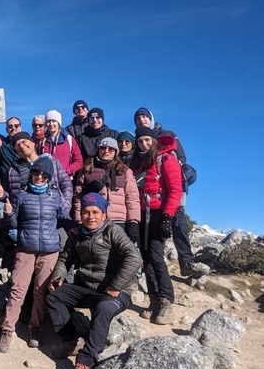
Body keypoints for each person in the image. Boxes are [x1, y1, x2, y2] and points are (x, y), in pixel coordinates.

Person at [46, 193, 142, 369]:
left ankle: (86, 361)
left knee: (104, 308)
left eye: (95, 212)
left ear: (104, 215)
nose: (91, 216)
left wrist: (117, 284)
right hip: (86, 289)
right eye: (86, 212)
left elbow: (135, 258)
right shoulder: (76, 235)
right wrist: (58, 276)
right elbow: (65, 260)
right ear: (81, 215)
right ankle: (71, 339)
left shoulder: (112, 231)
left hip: (114, 292)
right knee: (54, 296)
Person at [0, 156, 74, 353]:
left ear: (49, 177)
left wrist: (76, 227)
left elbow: (64, 218)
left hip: (49, 250)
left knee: (41, 290)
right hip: (25, 248)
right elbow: (11, 225)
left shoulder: (55, 196)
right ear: (30, 174)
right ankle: (7, 330)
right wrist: (7, 214)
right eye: (36, 173)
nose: (39, 177)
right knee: (18, 288)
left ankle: (35, 328)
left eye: (44, 174)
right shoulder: (20, 196)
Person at [133, 107, 209, 279]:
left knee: (178, 221)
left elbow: (181, 158)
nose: (141, 119)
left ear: (151, 118)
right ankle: (149, 267)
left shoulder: (166, 134)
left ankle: (186, 262)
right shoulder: (138, 140)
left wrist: (172, 176)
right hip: (150, 197)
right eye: (138, 118)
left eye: (145, 116)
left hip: (171, 186)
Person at [130, 127, 180, 325]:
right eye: (140, 141)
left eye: (147, 140)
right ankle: (154, 301)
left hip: (159, 213)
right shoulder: (139, 163)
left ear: (154, 140)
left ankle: (167, 301)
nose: (144, 144)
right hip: (143, 214)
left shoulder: (166, 159)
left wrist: (168, 217)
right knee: (145, 258)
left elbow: (175, 190)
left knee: (156, 256)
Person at [73, 138, 140, 244]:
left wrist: (133, 222)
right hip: (94, 220)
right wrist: (79, 220)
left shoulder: (125, 171)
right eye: (103, 148)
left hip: (119, 220)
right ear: (98, 149)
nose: (106, 151)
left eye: (111, 149)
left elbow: (132, 198)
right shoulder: (86, 170)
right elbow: (78, 198)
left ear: (116, 152)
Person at [0, 132, 73, 212]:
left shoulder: (52, 162)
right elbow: (8, 194)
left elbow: (66, 185)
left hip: (53, 214)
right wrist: (2, 195)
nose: (22, 146)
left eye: (24, 142)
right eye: (17, 145)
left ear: (33, 142)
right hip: (26, 218)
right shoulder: (12, 169)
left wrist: (65, 206)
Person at [37, 109, 83, 179]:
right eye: (48, 121)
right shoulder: (41, 142)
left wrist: (66, 172)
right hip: (45, 180)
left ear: (58, 123)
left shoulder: (69, 140)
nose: (51, 124)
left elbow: (79, 161)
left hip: (64, 180)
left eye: (54, 121)